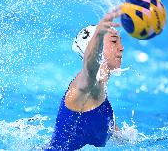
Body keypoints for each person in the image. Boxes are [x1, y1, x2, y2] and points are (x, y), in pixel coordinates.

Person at [46, 8, 124, 150]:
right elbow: (90, 67)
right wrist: (99, 33)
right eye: (113, 41)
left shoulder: (101, 95)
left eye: (120, 41)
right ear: (95, 48)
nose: (121, 48)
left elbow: (123, 139)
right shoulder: (86, 85)